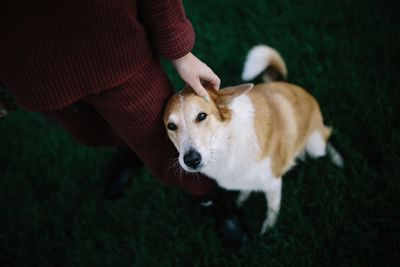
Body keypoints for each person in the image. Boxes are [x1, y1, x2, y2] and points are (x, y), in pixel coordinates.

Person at [0, 0, 248, 249]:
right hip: (36, 80)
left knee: (165, 151)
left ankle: (214, 201)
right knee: (92, 136)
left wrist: (180, 52)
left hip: (116, 56)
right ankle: (131, 150)